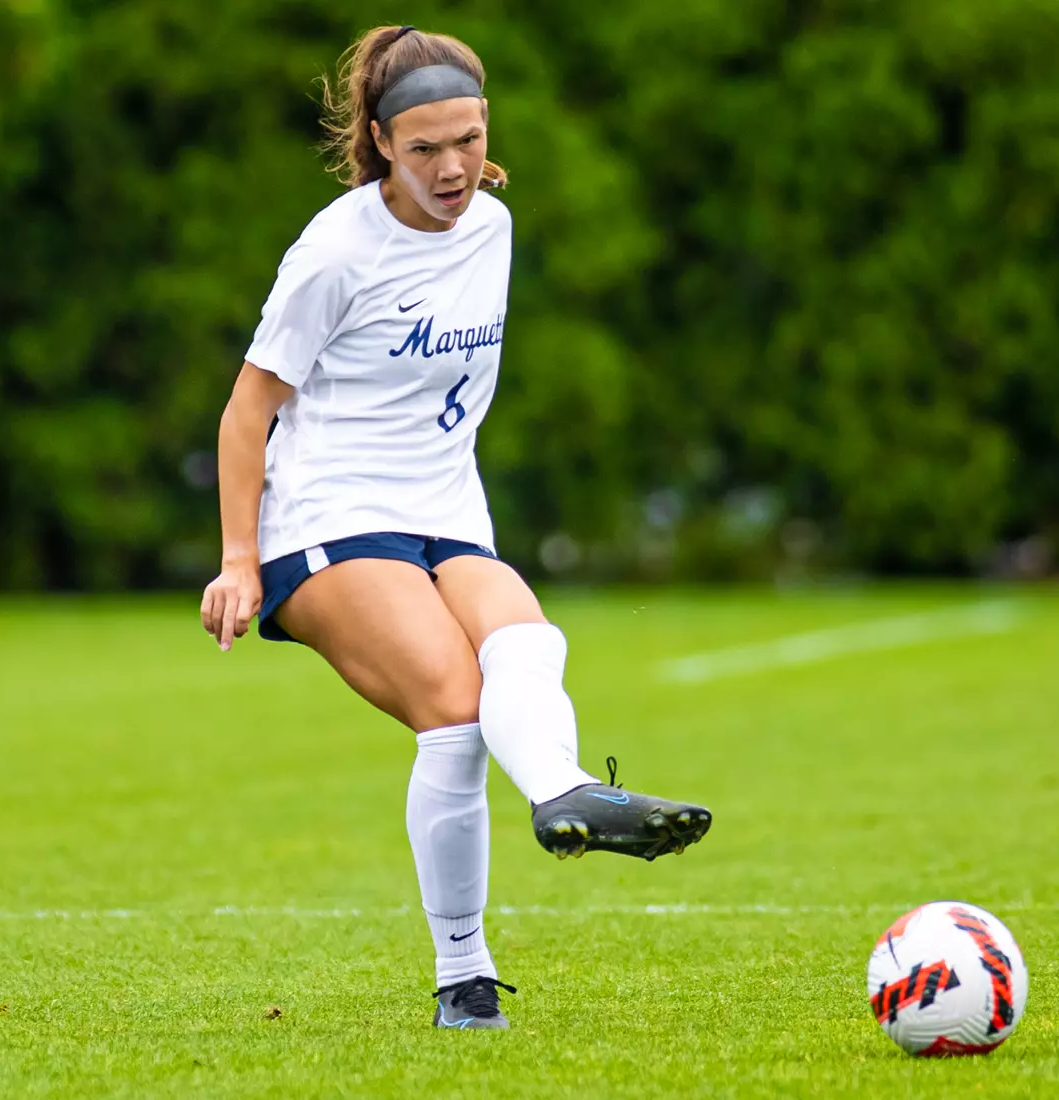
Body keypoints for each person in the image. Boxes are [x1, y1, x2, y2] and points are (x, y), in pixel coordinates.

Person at [199, 23, 712, 1031]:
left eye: (469, 140)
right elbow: (245, 407)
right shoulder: (334, 251)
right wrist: (235, 558)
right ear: (381, 140)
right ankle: (463, 977)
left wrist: (472, 183)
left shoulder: (493, 224)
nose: (452, 167)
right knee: (453, 705)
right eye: (426, 147)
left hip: (445, 510)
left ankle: (565, 792)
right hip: (328, 517)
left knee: (527, 638)